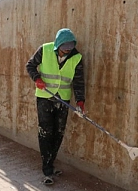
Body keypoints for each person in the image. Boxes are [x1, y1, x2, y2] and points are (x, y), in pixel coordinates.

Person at [25, 28, 85, 185]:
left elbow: (78, 81)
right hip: (45, 97)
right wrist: (36, 78)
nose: (66, 51)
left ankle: (50, 163)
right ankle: (47, 169)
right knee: (46, 131)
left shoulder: (76, 57)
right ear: (58, 45)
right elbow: (30, 65)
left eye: (69, 48)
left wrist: (80, 101)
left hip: (63, 99)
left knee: (59, 132)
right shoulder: (44, 49)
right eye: (64, 48)